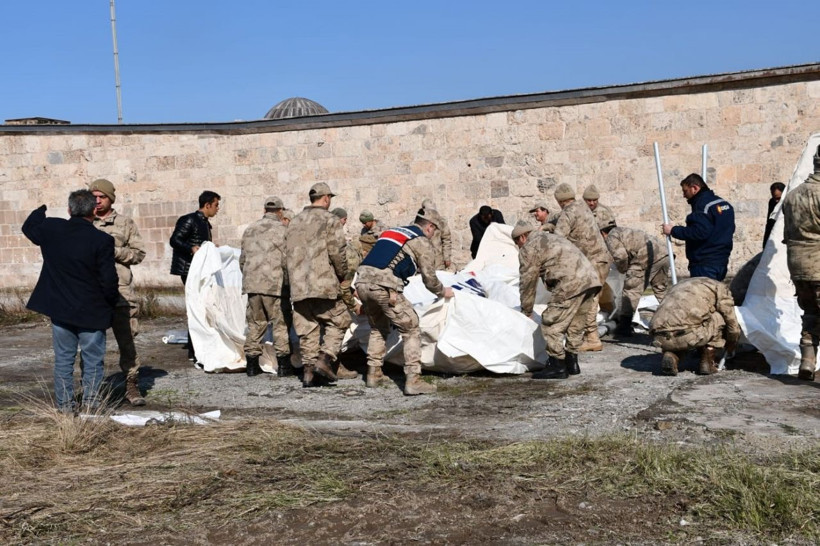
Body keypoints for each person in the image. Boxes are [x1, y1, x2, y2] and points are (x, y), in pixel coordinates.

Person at [22, 190, 119, 414]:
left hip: (60, 308)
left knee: (64, 359)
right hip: (92, 310)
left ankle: (65, 406)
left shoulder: (52, 229)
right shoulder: (102, 240)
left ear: (69, 210)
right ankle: (92, 404)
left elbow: (29, 226)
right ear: (94, 211)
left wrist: (41, 209)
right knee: (93, 359)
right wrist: (111, 304)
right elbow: (108, 279)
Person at [356, 209, 454, 395]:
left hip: (362, 283)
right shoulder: (421, 241)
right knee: (411, 327)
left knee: (378, 327)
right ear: (430, 227)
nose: (433, 235)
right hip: (384, 286)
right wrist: (443, 291)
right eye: (434, 231)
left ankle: (373, 373)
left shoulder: (393, 231)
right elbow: (429, 278)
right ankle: (413, 379)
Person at [513, 221, 602, 379]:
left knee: (551, 323)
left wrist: (526, 310)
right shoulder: (552, 238)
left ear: (522, 237)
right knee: (576, 323)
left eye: (517, 242)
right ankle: (572, 363)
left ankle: (557, 366)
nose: (518, 246)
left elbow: (527, 281)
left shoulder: (530, 247)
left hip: (570, 283)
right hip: (591, 280)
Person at [285, 182, 351, 387]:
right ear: (326, 199)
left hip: (299, 286)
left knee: (307, 329)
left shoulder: (294, 222)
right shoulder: (330, 220)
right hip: (323, 283)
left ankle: (308, 373)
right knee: (340, 320)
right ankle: (325, 359)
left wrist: (291, 282)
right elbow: (337, 252)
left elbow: (285, 254)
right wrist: (343, 275)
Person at [89, 178, 147, 405]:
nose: (97, 201)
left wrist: (112, 251)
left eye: (101, 196)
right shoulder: (84, 222)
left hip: (121, 291)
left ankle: (131, 385)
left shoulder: (125, 223)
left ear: (110, 198)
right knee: (91, 343)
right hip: (93, 293)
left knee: (127, 341)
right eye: (93, 196)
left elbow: (139, 254)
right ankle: (92, 388)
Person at [553, 183, 612, 352]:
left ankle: (592, 338)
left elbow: (558, 241)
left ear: (560, 201)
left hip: (592, 263)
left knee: (589, 300)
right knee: (591, 299)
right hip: (602, 259)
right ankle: (588, 335)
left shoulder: (567, 213)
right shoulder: (583, 207)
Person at [239, 196, 293, 378]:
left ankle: (252, 366)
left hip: (253, 285)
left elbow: (243, 260)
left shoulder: (249, 230)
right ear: (280, 211)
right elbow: (287, 260)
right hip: (275, 285)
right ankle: (284, 367)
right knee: (280, 325)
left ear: (264, 210)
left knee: (255, 324)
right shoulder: (284, 230)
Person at [781, 145, 820, 381]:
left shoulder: (792, 195)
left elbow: (787, 236)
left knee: (811, 314)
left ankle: (807, 361)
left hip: (797, 268)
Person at [649, 277, 740, 376]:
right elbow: (731, 322)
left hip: (659, 336)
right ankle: (707, 361)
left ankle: (673, 354)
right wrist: (732, 341)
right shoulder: (721, 288)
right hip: (688, 336)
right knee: (719, 317)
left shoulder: (680, 285)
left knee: (683, 322)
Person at [169, 190, 220, 362]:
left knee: (201, 307)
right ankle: (194, 350)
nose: (217, 209)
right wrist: (191, 248)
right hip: (189, 270)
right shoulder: (189, 219)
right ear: (207, 205)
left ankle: (198, 346)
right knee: (196, 307)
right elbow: (175, 240)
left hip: (199, 270)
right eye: (216, 205)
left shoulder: (205, 222)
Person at [600, 220, 669, 336]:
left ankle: (624, 327)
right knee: (661, 290)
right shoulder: (625, 231)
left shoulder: (611, 237)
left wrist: (623, 270)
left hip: (644, 257)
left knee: (630, 291)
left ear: (602, 233)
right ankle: (674, 320)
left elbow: (621, 257)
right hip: (664, 254)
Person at [662, 173, 735, 281]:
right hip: (721, 262)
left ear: (694, 188)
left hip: (704, 263)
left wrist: (673, 230)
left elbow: (699, 232)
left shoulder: (703, 205)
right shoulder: (724, 204)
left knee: (702, 296)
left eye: (685, 191)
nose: (684, 195)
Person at [421, 199, 452, 270]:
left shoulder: (441, 223)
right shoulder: (418, 222)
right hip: (423, 258)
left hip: (438, 259)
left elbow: (446, 239)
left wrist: (446, 257)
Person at [763, 182, 786, 248]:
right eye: (774, 198)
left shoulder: (787, 202)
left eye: (778, 198)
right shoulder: (772, 202)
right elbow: (769, 222)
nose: (776, 201)